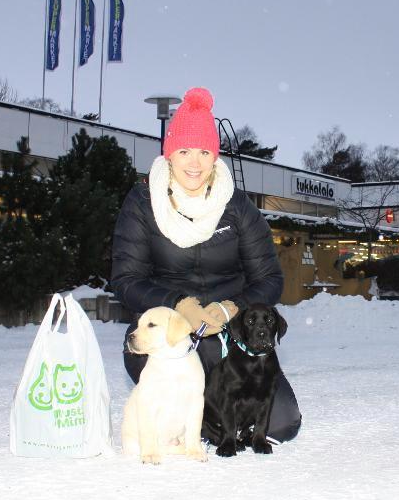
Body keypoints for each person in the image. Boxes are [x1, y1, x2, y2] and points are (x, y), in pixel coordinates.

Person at [110, 87, 302, 443]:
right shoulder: (142, 203)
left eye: (203, 152)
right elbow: (126, 279)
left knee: (282, 425)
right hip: (168, 330)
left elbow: (270, 279)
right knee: (171, 367)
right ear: (169, 155)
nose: (194, 163)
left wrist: (232, 307)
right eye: (184, 151)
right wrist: (178, 304)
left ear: (215, 157)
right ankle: (197, 419)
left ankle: (208, 419)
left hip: (229, 334)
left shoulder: (238, 206)